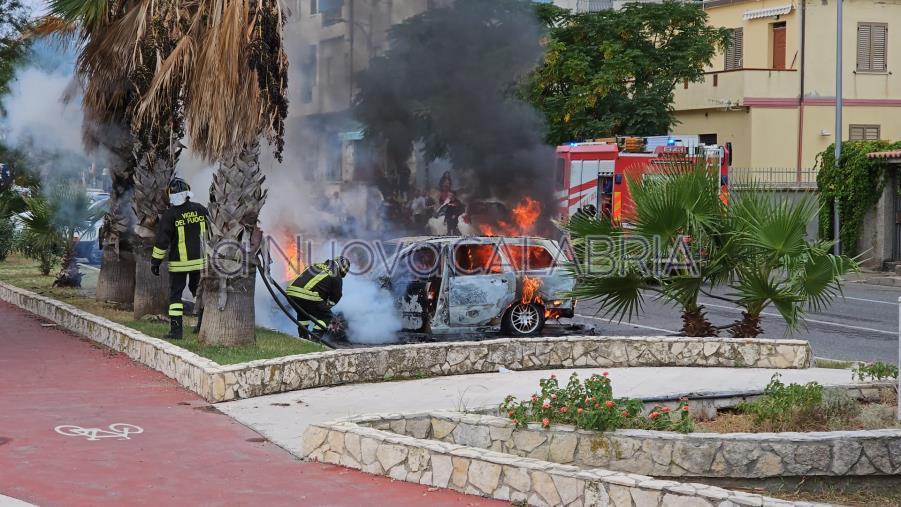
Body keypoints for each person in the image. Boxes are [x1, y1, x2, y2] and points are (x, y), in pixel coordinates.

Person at [151, 177, 209, 340]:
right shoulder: (201, 209)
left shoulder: (171, 215)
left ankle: (176, 331)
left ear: (171, 195)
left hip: (180, 264)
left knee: (176, 296)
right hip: (201, 262)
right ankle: (202, 325)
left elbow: (162, 241)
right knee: (198, 292)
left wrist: (155, 262)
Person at [286, 256, 350, 337]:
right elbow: (336, 296)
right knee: (327, 317)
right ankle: (315, 338)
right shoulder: (336, 275)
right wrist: (326, 307)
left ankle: (303, 338)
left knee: (302, 313)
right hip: (307, 295)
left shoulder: (316, 265)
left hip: (291, 293)